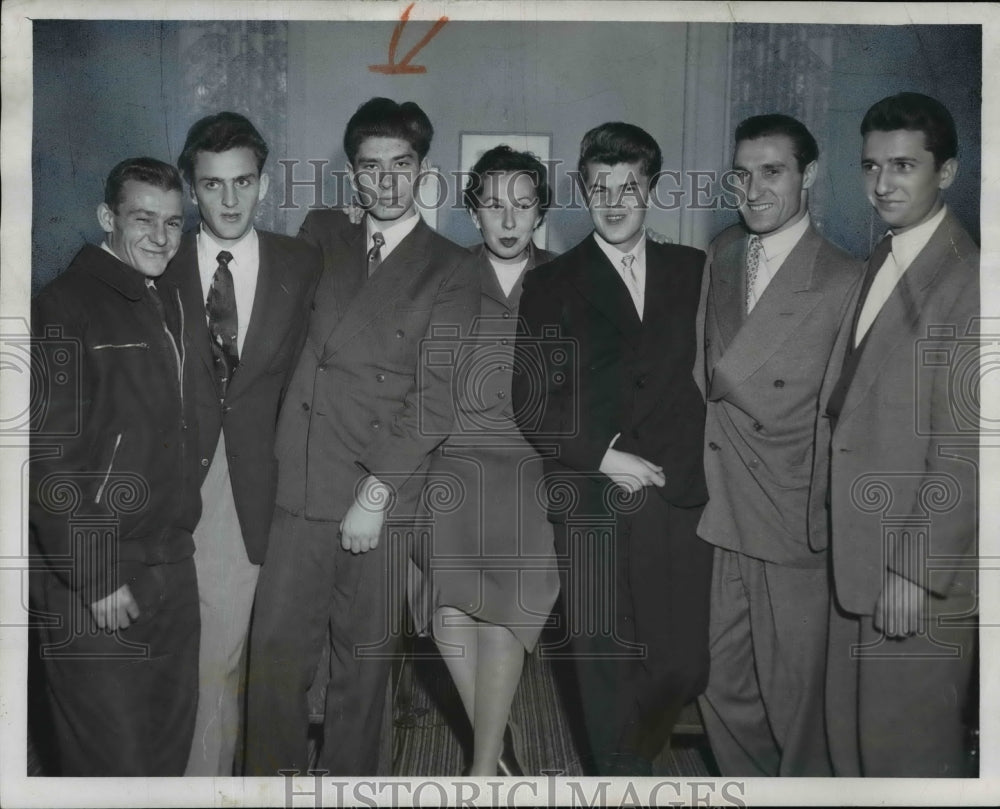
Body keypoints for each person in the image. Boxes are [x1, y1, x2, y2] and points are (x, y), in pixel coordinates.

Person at [245, 97, 480, 775]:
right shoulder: (322, 234)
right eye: (370, 168)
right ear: (353, 176)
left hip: (382, 491)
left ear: (422, 172)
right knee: (276, 663)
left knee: (363, 669)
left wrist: (375, 494)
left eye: (400, 166)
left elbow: (435, 404)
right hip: (300, 481)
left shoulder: (453, 267)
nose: (385, 182)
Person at [512, 122, 712, 776]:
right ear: (583, 191)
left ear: (651, 188)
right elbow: (532, 399)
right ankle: (619, 777)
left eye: (630, 186)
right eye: (602, 187)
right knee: (602, 662)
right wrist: (602, 455)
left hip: (675, 496)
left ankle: (635, 750)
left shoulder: (693, 271)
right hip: (591, 495)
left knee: (680, 661)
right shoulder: (550, 284)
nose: (616, 201)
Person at [816, 92, 979, 777]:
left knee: (906, 757)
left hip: (912, 569)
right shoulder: (883, 257)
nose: (882, 184)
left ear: (945, 172)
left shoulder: (971, 279)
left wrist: (912, 567)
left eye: (904, 165)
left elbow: (967, 451)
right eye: (871, 166)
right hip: (856, 557)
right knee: (851, 750)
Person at [693, 114, 861, 776]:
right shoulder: (722, 253)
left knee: (798, 704)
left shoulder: (846, 277)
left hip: (793, 518)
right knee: (719, 685)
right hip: (720, 507)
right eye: (743, 174)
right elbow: (700, 375)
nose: (754, 189)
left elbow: (851, 415)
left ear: (809, 176)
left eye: (773, 172)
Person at [162, 111, 322, 776]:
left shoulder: (302, 263)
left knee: (258, 665)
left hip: (275, 490)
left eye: (243, 182)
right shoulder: (160, 264)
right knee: (199, 661)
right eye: (212, 184)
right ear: (190, 189)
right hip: (174, 490)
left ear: (264, 183)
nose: (229, 201)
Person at [29, 157, 200, 775]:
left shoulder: (162, 301)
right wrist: (96, 576)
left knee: (166, 759)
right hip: (97, 581)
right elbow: (48, 461)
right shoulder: (63, 306)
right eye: (143, 219)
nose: (160, 237)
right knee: (112, 769)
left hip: (170, 566)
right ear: (108, 218)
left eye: (174, 223)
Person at [408, 145, 560, 776]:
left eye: (522, 206)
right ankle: (497, 753)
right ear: (473, 213)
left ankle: (482, 769)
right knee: (446, 606)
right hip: (451, 461)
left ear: (539, 215)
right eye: (494, 205)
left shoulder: (564, 276)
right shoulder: (444, 273)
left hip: (528, 467)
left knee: (503, 611)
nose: (507, 219)